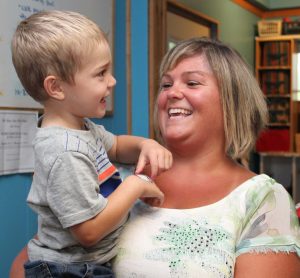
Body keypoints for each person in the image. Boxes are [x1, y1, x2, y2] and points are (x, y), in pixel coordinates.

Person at [112, 37, 300, 277]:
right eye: (166, 85)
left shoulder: (263, 201)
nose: (172, 93)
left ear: (231, 101)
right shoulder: (119, 175)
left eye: (192, 83)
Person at [11, 10, 172, 277]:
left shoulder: (80, 128)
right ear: (57, 88)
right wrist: (136, 185)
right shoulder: (65, 151)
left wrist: (147, 144)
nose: (112, 81)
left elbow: (118, 145)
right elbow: (89, 231)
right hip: (71, 270)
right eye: (100, 74)